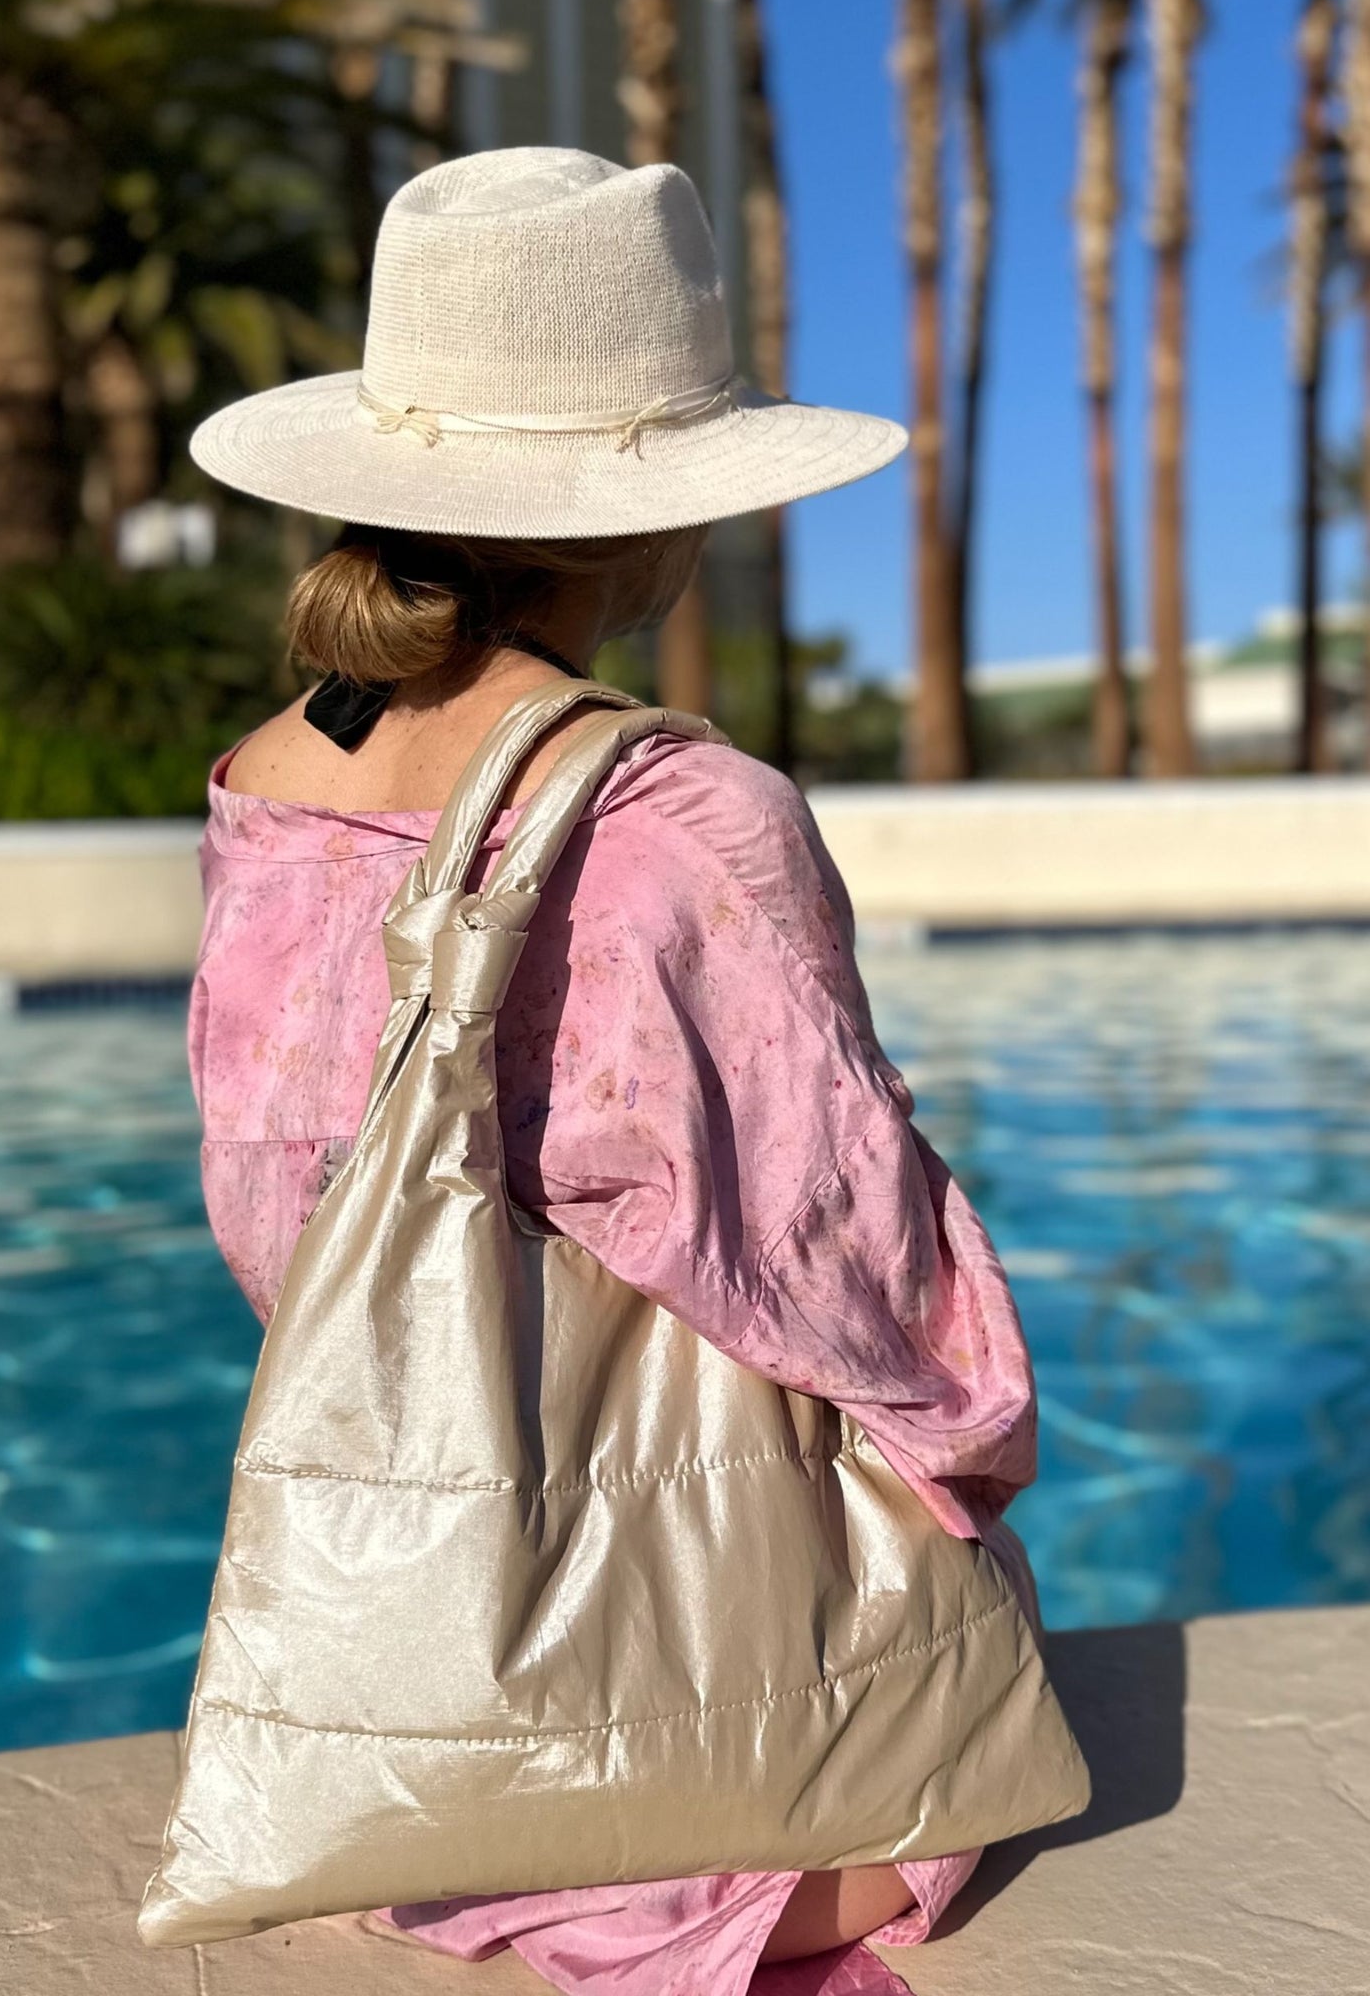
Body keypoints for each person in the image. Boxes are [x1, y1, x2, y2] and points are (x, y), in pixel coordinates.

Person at [185, 146, 1068, 1996]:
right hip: (688, 1618)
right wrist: (975, 1427)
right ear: (654, 522)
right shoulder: (681, 813)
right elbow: (832, 1247)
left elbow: (279, 1191)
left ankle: (479, 1835)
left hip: (410, 1641)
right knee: (959, 1751)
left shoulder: (268, 779)